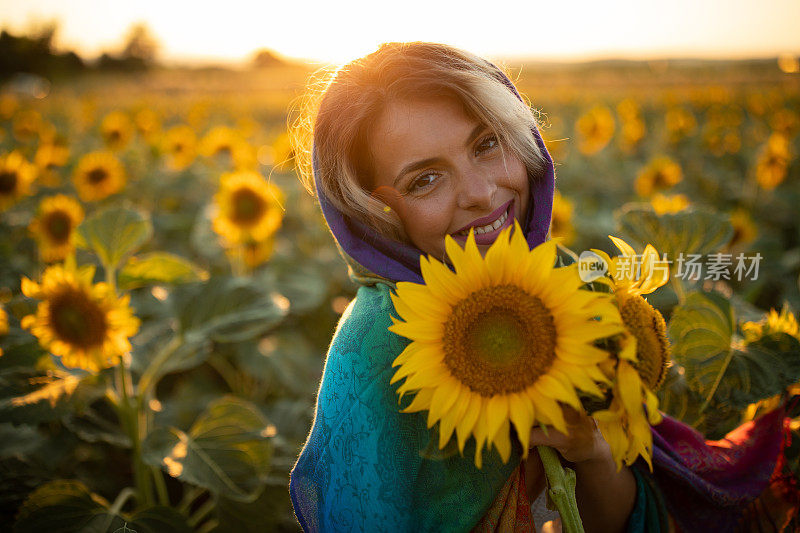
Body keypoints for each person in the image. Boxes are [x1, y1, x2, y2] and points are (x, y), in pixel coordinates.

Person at [288, 42, 793, 532]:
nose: (482, 193)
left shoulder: (569, 285)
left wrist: (591, 450)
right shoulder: (376, 356)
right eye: (425, 180)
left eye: (487, 145)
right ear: (374, 215)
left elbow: (624, 518)